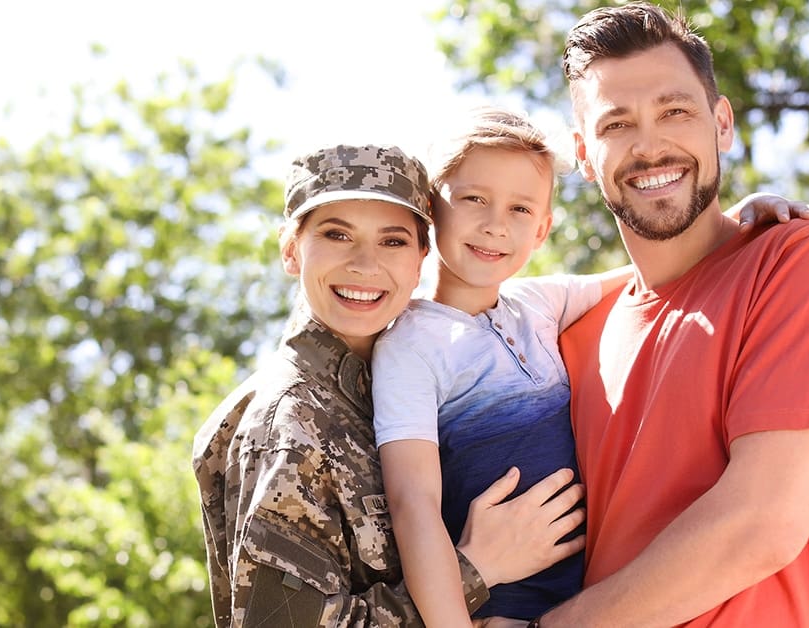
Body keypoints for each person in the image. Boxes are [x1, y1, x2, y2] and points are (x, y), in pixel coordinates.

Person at [371, 106, 809, 626]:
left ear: (542, 230)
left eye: (520, 210)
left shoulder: (536, 302)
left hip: (592, 600)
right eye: (474, 199)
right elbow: (413, 505)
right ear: (431, 210)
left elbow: (661, 266)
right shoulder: (408, 344)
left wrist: (741, 221)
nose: (495, 225)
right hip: (504, 613)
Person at [526, 3, 809, 626]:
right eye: (616, 125)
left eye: (675, 112)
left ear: (721, 123)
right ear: (585, 156)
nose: (649, 144)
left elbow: (762, 524)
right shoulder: (570, 334)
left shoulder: (797, 262)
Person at [192, 143, 589, 627]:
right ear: (292, 250)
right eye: (337, 234)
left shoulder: (394, 377)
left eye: (393, 241)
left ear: (422, 254)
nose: (365, 264)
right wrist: (476, 569)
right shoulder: (288, 420)